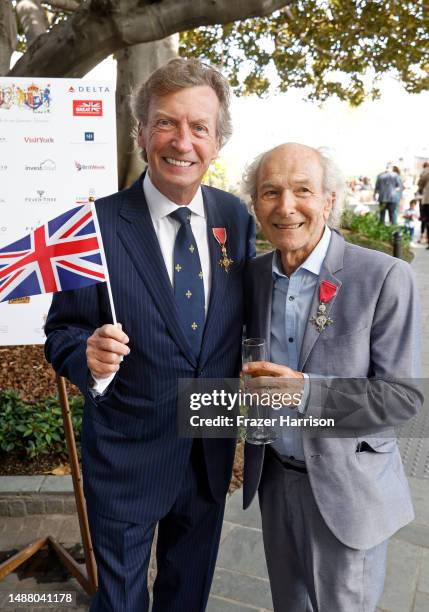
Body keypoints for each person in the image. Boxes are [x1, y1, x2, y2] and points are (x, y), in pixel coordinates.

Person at [44, 58, 255, 612]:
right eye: (166, 122)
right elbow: (61, 330)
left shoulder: (237, 218)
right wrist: (85, 357)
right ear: (140, 133)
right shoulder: (91, 226)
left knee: (187, 597)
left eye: (199, 127)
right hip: (126, 458)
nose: (182, 141)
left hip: (208, 453)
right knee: (118, 602)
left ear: (217, 141)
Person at [241, 143, 422, 612]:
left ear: (329, 200)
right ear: (255, 204)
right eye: (270, 192)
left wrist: (305, 392)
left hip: (349, 490)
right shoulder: (256, 275)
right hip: (276, 483)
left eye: (303, 190)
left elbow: (401, 398)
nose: (286, 207)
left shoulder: (384, 276)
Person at [417, 162, 429, 248]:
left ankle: (426, 239)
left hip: (427, 201)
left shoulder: (426, 172)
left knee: (426, 220)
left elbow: (420, 183)